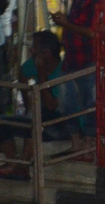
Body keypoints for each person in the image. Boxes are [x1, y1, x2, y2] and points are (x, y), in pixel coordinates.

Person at [0, 31, 82, 179]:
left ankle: (22, 165)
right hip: (41, 116)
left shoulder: (63, 73)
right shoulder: (34, 62)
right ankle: (13, 161)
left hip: (60, 124)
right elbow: (22, 75)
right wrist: (27, 106)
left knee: (35, 119)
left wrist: (41, 74)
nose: (31, 50)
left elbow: (51, 106)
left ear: (46, 52)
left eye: (34, 47)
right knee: (4, 122)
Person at [51, 0, 105, 155]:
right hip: (71, 59)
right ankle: (76, 142)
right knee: (68, 103)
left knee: (89, 104)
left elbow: (93, 32)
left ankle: (89, 143)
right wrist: (66, 22)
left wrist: (66, 24)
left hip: (88, 59)